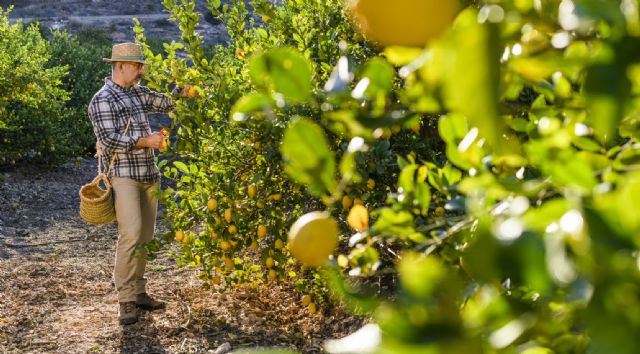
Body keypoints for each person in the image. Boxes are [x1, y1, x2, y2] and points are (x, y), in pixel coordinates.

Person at [88, 42, 193, 325]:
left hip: (149, 174)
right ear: (120, 66)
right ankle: (125, 301)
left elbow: (164, 102)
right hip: (124, 176)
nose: (141, 70)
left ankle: (139, 291)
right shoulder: (103, 99)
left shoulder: (137, 93)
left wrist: (181, 92)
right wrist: (146, 141)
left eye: (141, 65)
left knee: (145, 237)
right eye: (137, 66)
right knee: (131, 235)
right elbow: (109, 139)